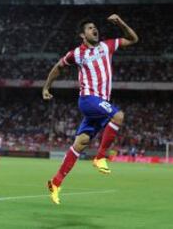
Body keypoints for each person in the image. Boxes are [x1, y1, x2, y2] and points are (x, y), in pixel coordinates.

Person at [42, 14, 138, 204]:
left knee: (80, 143)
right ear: (82, 35)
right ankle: (100, 157)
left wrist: (121, 23)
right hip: (88, 100)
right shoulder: (76, 54)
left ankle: (55, 182)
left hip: (101, 104)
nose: (95, 30)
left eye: (95, 27)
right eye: (90, 28)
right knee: (118, 115)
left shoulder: (107, 46)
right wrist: (46, 87)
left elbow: (133, 39)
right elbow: (58, 68)